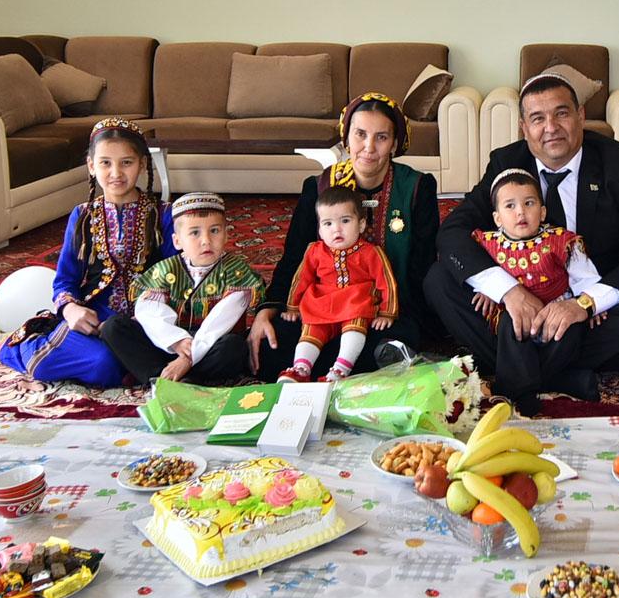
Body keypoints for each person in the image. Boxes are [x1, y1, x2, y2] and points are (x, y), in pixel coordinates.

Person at [425, 73, 619, 401]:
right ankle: (562, 376)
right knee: (438, 279)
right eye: (537, 118)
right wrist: (509, 292)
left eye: (562, 113)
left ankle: (513, 374)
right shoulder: (506, 163)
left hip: (585, 307)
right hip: (512, 309)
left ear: (581, 116)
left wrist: (581, 305)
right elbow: (453, 232)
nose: (551, 127)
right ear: (523, 128)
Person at [248, 93, 439, 380]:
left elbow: (422, 265)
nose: (368, 147)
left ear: (395, 144)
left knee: (396, 337)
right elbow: (295, 256)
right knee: (272, 346)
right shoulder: (319, 186)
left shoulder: (416, 187)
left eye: (381, 137)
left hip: (385, 312)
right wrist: (268, 310)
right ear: (346, 137)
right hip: (322, 308)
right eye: (360, 134)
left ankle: (356, 358)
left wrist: (392, 313)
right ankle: (356, 364)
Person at [0, 118, 174, 388]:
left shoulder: (163, 214)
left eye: (126, 162)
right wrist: (70, 309)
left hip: (147, 323)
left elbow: (175, 275)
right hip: (92, 320)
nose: (116, 172)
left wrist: (149, 317)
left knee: (115, 363)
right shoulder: (82, 216)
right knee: (98, 364)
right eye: (105, 163)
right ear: (91, 166)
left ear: (141, 164)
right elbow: (65, 279)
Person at [471, 168, 603, 414]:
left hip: (555, 314)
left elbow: (584, 275)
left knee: (572, 329)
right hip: (515, 320)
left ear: (542, 212)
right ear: (497, 218)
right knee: (513, 326)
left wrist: (590, 301)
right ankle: (553, 383)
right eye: (510, 206)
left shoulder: (562, 241)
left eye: (529, 203)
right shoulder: (487, 244)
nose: (520, 211)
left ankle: (514, 384)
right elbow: (475, 269)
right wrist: (487, 288)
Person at [102, 192, 265, 385]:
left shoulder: (236, 272)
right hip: (170, 345)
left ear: (226, 234)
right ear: (177, 241)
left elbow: (218, 323)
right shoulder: (165, 270)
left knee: (234, 347)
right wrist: (178, 341)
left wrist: (189, 358)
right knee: (114, 327)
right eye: (194, 232)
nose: (206, 240)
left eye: (214, 231)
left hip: (211, 348)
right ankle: (160, 377)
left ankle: (184, 379)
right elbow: (150, 312)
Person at [275, 187, 398, 383]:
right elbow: (301, 279)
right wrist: (293, 307)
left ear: (361, 224)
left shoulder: (370, 252)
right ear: (320, 230)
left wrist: (386, 312)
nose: (337, 229)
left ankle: (340, 370)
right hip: (321, 303)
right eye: (328, 223)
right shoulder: (315, 251)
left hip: (355, 302)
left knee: (355, 329)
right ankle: (301, 368)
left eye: (345, 221)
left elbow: (386, 283)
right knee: (310, 331)